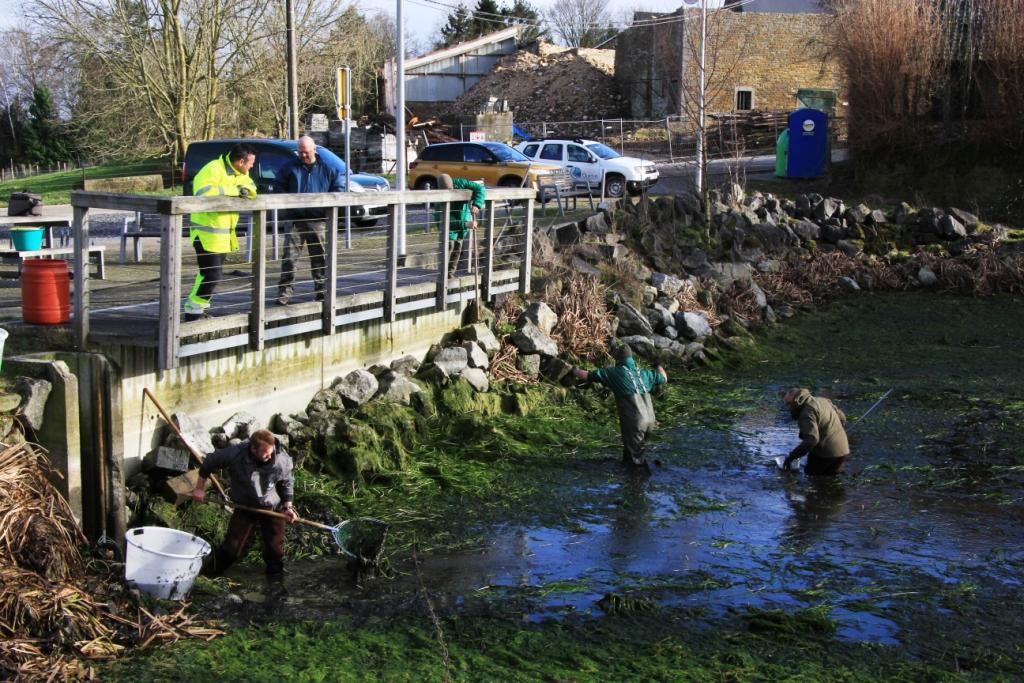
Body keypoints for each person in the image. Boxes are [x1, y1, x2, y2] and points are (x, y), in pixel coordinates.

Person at [191, 428, 297, 578]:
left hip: (272, 507)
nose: (270, 456)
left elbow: (287, 482)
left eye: (271, 452)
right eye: (266, 454)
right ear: (253, 449)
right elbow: (209, 463)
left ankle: (275, 579)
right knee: (231, 548)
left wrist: (288, 506)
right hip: (245, 506)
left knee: (275, 550)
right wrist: (199, 489)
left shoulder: (280, 459)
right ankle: (208, 575)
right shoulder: (236, 453)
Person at [185, 143, 258, 321]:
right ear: (241, 162)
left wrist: (238, 191)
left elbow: (252, 190)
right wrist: (234, 191)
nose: (252, 166)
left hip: (223, 235)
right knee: (212, 275)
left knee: (207, 275)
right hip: (206, 233)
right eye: (251, 163)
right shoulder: (213, 169)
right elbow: (203, 192)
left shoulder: (241, 173)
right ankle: (193, 312)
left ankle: (196, 310)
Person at [573, 345, 668, 467]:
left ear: (618, 359)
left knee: (636, 462)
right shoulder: (644, 373)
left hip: (636, 421)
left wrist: (573, 370)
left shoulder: (615, 372)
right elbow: (664, 378)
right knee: (633, 452)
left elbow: (586, 375)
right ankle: (633, 471)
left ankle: (637, 476)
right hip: (650, 421)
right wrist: (659, 365)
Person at [277, 135, 345, 305]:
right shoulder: (289, 167)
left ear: (314, 150)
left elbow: (338, 189)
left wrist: (324, 206)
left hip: (319, 220)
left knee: (320, 258)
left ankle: (322, 292)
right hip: (295, 220)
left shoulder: (328, 168)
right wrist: (289, 204)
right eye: (300, 152)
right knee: (289, 259)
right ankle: (284, 293)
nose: (303, 155)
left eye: (306, 152)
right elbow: (278, 187)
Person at [781, 387, 850, 475]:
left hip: (825, 453)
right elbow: (842, 418)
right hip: (843, 449)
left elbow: (811, 440)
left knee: (811, 475)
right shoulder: (822, 400)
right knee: (831, 478)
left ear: (796, 401)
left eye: (789, 404)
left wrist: (792, 457)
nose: (788, 407)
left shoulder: (806, 413)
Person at [435, 173, 485, 278]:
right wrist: (466, 224)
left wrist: (477, 204)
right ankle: (443, 274)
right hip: (451, 228)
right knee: (448, 247)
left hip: (463, 221)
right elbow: (443, 222)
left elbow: (480, 188)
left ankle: (450, 273)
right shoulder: (438, 200)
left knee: (457, 249)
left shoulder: (461, 183)